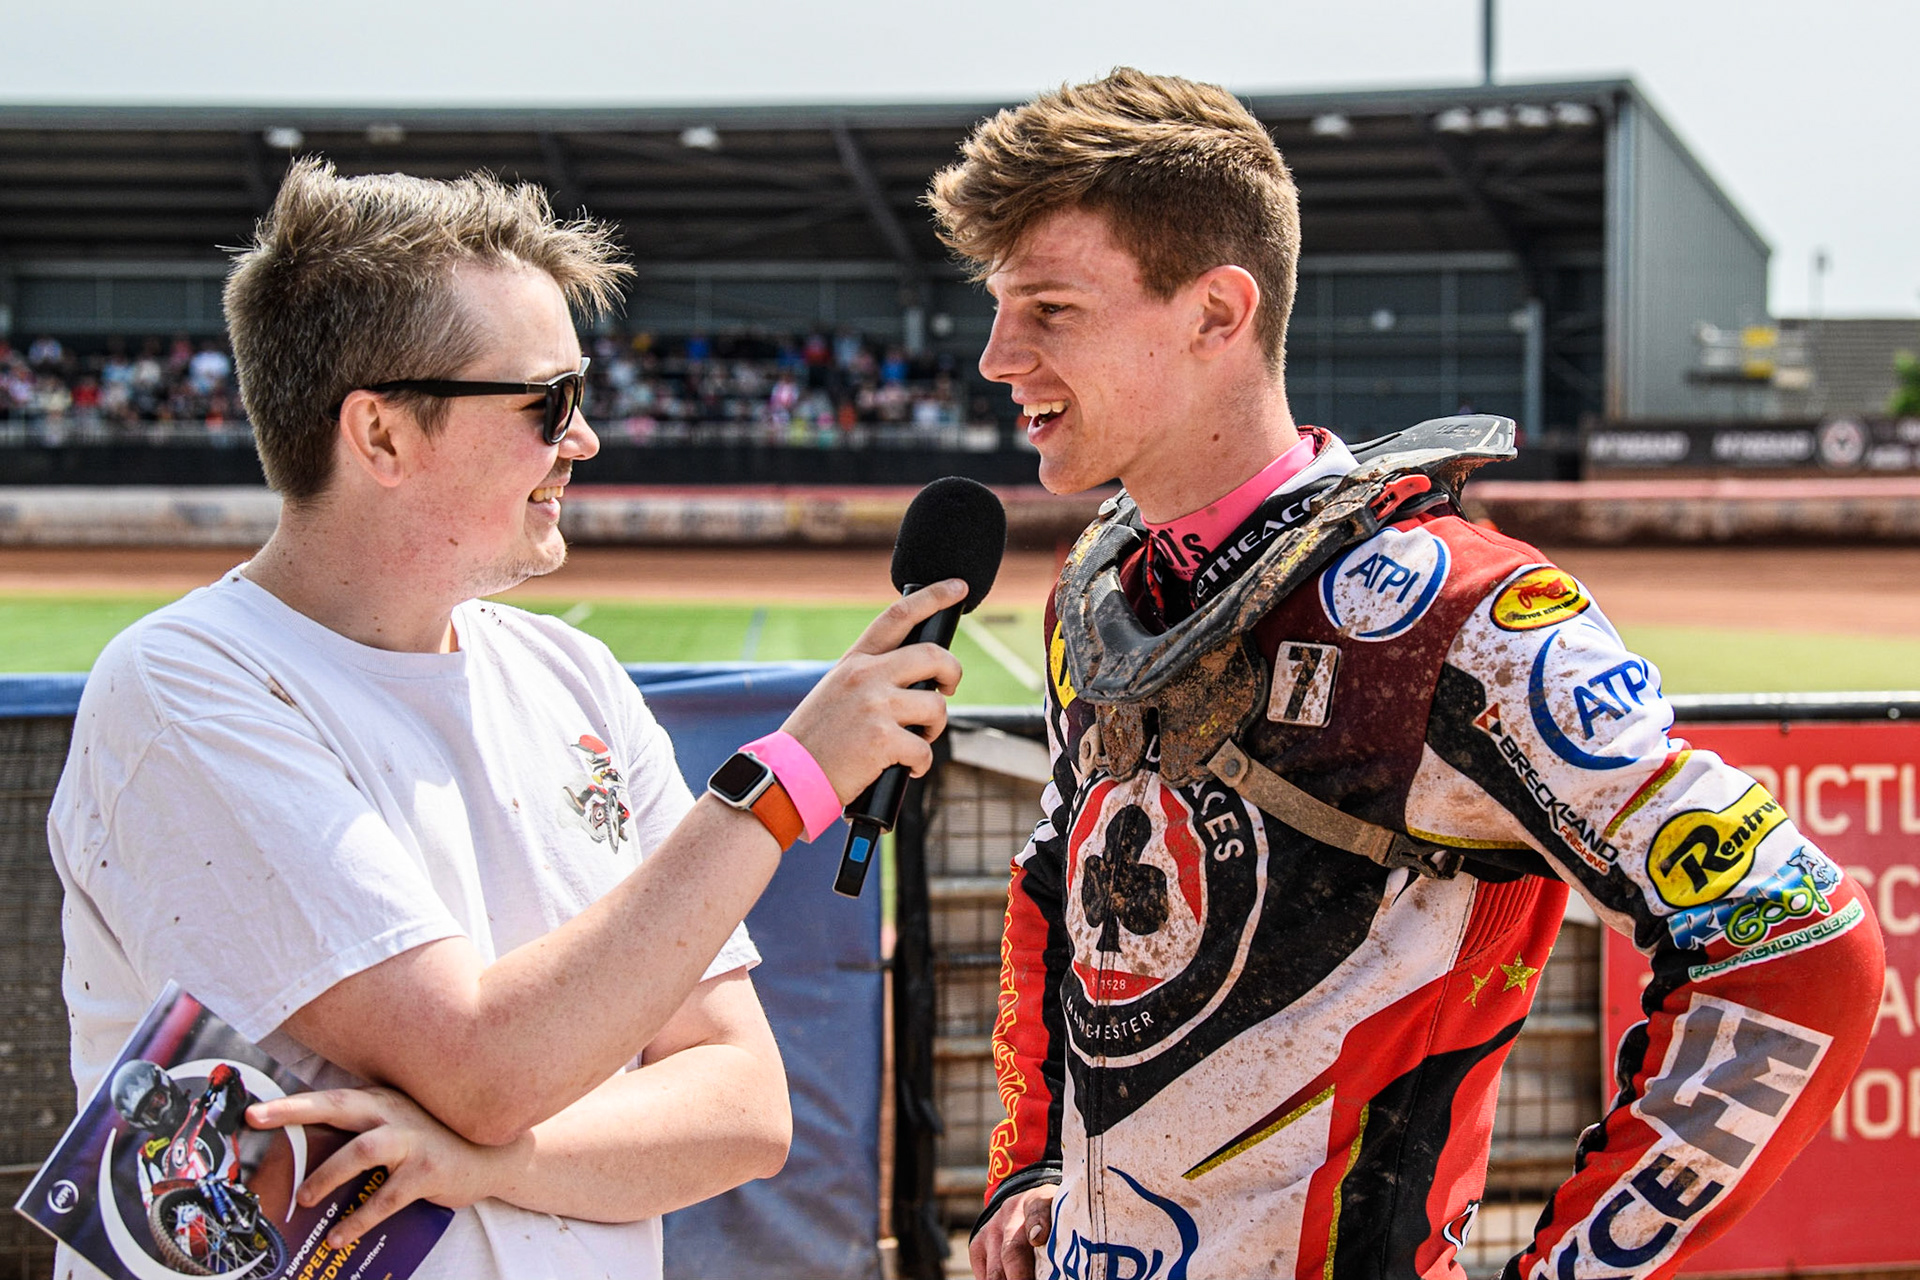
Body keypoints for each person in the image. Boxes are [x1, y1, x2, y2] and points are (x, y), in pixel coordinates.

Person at [926, 70, 1885, 1280]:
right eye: (1000, 307)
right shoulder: (1102, 590)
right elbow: (1055, 879)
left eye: (1050, 309)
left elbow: (1798, 950)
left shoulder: (1459, 612)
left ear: (1218, 311)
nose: (997, 356)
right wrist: (1027, 1163)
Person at [49, 159, 966, 1280]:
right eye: (549, 402)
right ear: (382, 435)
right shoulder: (186, 687)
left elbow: (740, 1107)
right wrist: (784, 786)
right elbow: (481, 1064)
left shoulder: (572, 673)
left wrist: (484, 1162)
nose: (583, 440)